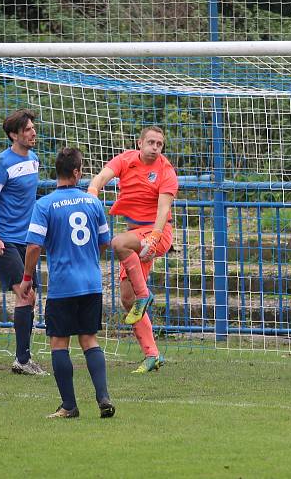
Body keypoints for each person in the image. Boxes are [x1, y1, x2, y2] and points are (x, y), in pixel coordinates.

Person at [18, 148, 114, 418]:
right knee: (89, 339)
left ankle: (69, 405)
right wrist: (89, 258)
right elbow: (105, 242)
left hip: (62, 285)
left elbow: (34, 246)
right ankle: (103, 396)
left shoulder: (45, 205)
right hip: (91, 283)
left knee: (59, 343)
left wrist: (27, 278)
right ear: (76, 172)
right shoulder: (93, 203)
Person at [87, 126, 177, 374]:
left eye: (159, 144)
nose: (155, 147)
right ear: (139, 143)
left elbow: (162, 210)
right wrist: (92, 194)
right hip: (137, 237)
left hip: (158, 233)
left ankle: (144, 295)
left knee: (118, 243)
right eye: (151, 142)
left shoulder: (166, 171)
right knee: (127, 299)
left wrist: (154, 239)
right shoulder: (125, 159)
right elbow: (101, 178)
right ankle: (152, 355)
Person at [0, 109, 44, 375]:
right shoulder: (2, 164)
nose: (32, 132)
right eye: (27, 129)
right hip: (4, 242)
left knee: (28, 298)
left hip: (26, 241)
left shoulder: (34, 160)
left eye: (32, 128)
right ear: (14, 135)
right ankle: (22, 359)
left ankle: (23, 358)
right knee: (26, 294)